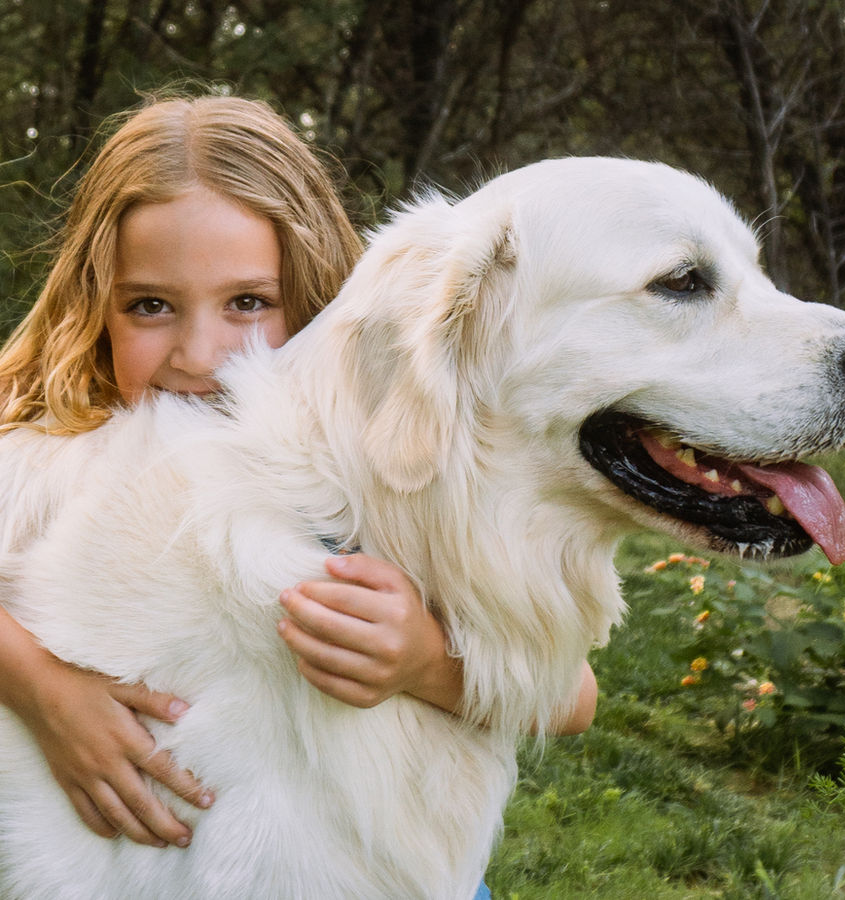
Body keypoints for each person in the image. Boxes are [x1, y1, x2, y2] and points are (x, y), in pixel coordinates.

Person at [0, 91, 597, 881]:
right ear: (94, 307)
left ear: (314, 292)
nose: (200, 353)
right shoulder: (55, 448)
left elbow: (573, 696)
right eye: (151, 307)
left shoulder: (384, 464)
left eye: (249, 303)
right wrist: (43, 687)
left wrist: (426, 661)